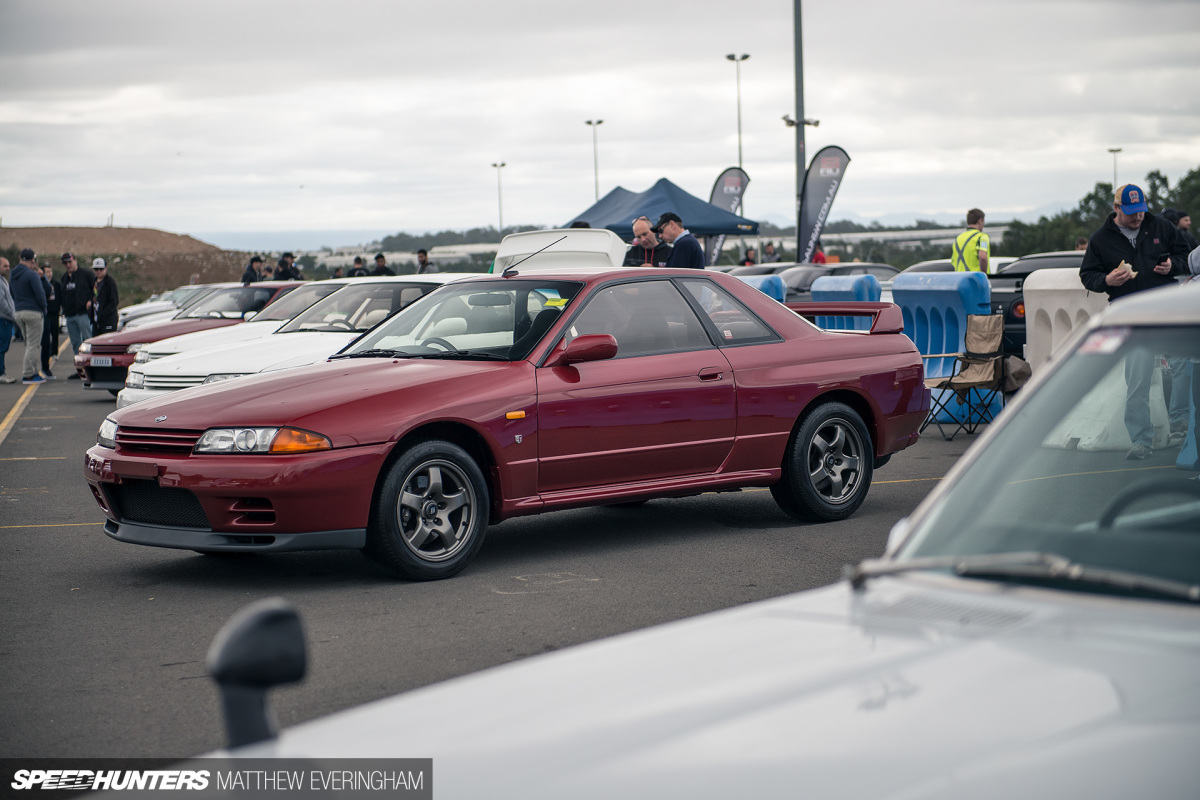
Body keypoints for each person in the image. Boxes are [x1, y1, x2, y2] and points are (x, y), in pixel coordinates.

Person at [1079, 183, 1189, 459]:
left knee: (1183, 365)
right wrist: (1106, 280)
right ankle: (1141, 440)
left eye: (1141, 211)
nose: (1138, 217)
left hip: (1166, 309)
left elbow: (1186, 255)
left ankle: (1182, 424)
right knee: (1138, 378)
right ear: (1116, 209)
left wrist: (1171, 266)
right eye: (1131, 213)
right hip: (1132, 316)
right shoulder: (1101, 239)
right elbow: (1087, 275)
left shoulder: (1162, 227)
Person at [11, 249, 47, 384]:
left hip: (19, 311)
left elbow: (12, 292)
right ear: (33, 259)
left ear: (20, 257)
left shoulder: (13, 275)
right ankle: (28, 374)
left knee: (28, 344)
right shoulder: (31, 275)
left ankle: (32, 370)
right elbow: (40, 294)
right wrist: (44, 309)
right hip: (33, 312)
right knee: (33, 345)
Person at [58, 252, 95, 369]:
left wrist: (91, 301)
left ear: (75, 261)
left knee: (88, 341)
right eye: (66, 263)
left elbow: (96, 289)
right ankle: (81, 368)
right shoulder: (64, 278)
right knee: (75, 343)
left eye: (70, 262)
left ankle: (92, 366)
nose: (68, 265)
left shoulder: (86, 274)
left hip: (83, 314)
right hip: (70, 315)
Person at [951, 208, 990, 273]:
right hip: (975, 280)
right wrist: (984, 276)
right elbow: (983, 257)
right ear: (980, 220)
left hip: (960, 280)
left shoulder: (958, 238)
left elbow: (953, 261)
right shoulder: (982, 237)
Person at [40, 265, 61, 378]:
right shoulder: (41, 283)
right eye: (47, 271)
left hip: (54, 312)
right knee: (45, 336)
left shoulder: (56, 284)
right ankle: (47, 354)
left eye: (50, 271)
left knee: (55, 332)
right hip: (45, 313)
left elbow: (60, 297)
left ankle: (54, 352)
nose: (49, 273)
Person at [91, 257, 119, 336]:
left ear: (105, 268)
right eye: (96, 269)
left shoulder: (110, 282)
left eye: (101, 269)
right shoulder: (94, 282)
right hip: (96, 321)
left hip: (108, 320)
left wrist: (103, 314)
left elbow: (114, 301)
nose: (98, 271)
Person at [0, 257, 15, 383]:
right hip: (3, 319)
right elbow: (2, 303)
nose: (8, 268)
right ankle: (1, 373)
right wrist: (12, 315)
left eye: (8, 266)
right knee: (2, 347)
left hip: (6, 318)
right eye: (5, 266)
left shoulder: (3, 280)